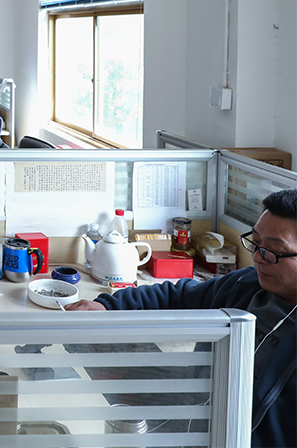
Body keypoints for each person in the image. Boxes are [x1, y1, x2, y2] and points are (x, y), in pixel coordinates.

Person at [67, 188, 297, 448]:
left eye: (273, 251)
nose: (257, 257)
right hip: (192, 420)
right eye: (255, 243)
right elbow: (178, 296)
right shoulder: (247, 284)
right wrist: (107, 306)